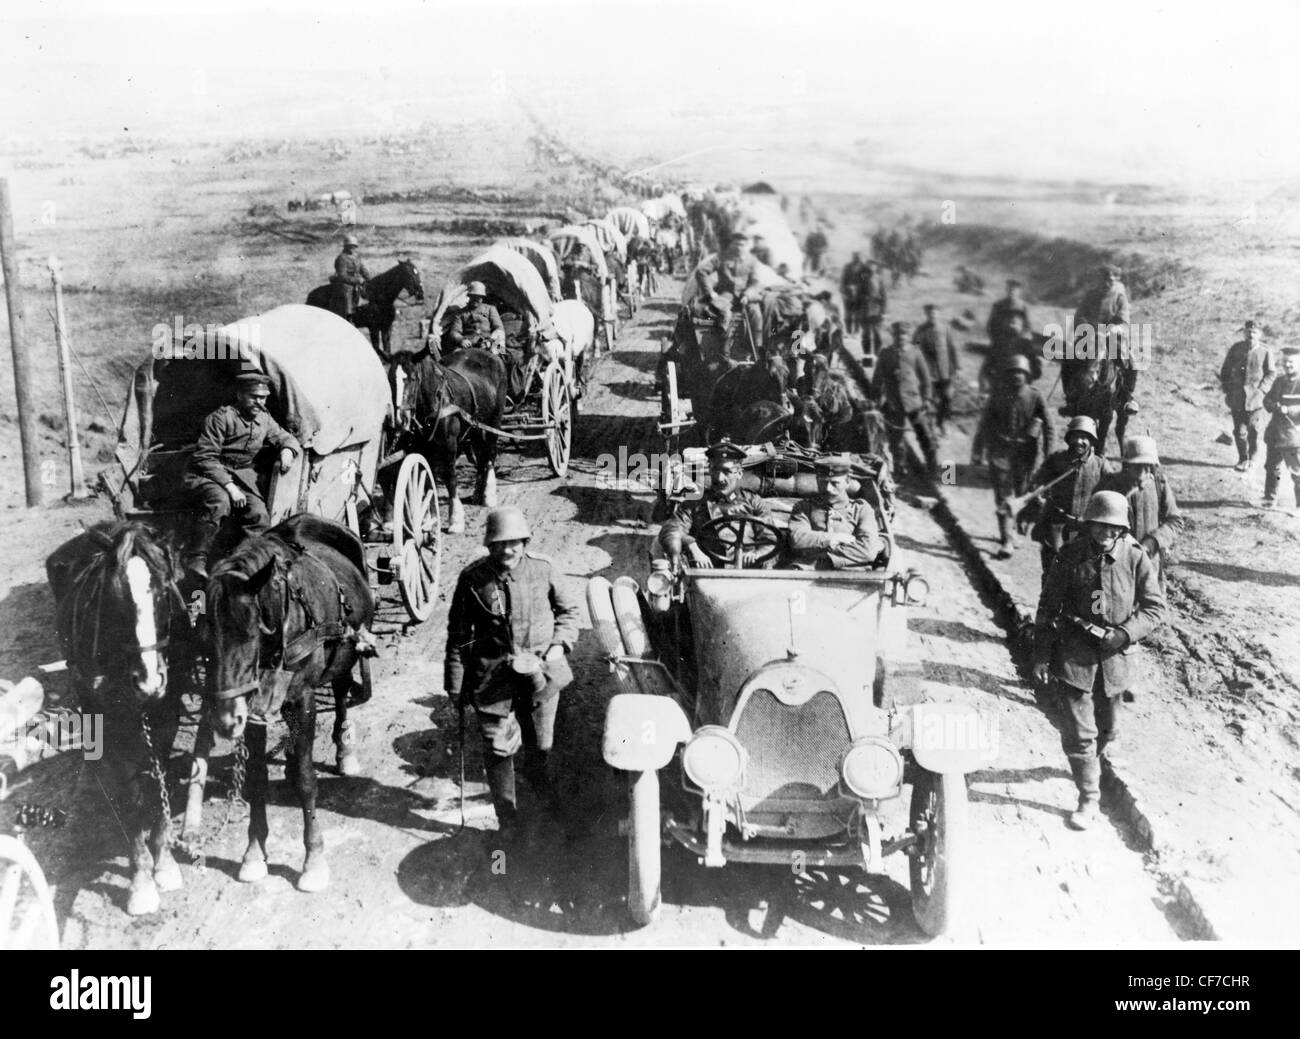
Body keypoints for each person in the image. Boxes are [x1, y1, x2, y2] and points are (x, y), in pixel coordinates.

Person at [443, 506, 580, 841]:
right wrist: (456, 686)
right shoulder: (473, 579)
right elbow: (459, 636)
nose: (507, 550)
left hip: (541, 675)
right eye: (499, 543)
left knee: (540, 746)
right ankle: (509, 821)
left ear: (525, 541)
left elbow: (569, 612)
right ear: (489, 545)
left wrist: (558, 646)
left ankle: (545, 807)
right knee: (498, 748)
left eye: (514, 542)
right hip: (494, 679)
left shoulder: (544, 570)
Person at [1032, 490, 1166, 830]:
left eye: (1113, 529)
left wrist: (1124, 634)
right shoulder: (1070, 556)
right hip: (1074, 655)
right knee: (1080, 733)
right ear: (1089, 525)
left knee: (1108, 729)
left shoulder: (1135, 558)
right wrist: (1042, 655)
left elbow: (1154, 608)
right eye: (1099, 527)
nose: (1105, 534)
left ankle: (1091, 766)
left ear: (1122, 530)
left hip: (1115, 658)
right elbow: (1048, 607)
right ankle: (1088, 797)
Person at [182, 372, 300, 579]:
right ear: (239, 395)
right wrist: (229, 487)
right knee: (219, 502)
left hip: (243, 477)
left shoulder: (264, 419)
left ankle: (250, 565)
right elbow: (205, 457)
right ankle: (197, 559)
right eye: (253, 397)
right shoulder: (221, 418)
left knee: (258, 515)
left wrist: (288, 450)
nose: (259, 402)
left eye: (263, 398)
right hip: (208, 473)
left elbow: (284, 436)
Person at [971, 355, 1054, 558]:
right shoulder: (998, 395)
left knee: (1022, 493)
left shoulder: (1035, 396)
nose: (1017, 377)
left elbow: (1049, 426)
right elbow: (985, 424)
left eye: (1021, 373)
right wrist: (978, 450)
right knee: (1003, 496)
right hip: (1000, 451)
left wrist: (1048, 454)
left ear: (1027, 376)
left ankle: (1016, 528)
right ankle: (1007, 538)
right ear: (1007, 376)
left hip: (1025, 454)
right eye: (1013, 373)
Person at [1018, 415, 1120, 576]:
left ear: (1092, 441)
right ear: (1068, 437)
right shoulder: (1057, 460)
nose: (1079, 441)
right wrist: (1034, 505)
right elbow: (1037, 483)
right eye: (1076, 436)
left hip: (1085, 531)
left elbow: (1116, 492)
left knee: (1080, 575)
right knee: (1052, 571)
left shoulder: (1101, 466)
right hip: (1057, 526)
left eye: (1085, 437)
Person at [658, 442, 776, 568]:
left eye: (727, 471)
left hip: (747, 576)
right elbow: (671, 529)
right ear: (709, 470)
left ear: (739, 473)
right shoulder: (695, 503)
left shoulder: (754, 502)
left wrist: (758, 554)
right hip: (707, 575)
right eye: (715, 470)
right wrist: (692, 546)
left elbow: (771, 540)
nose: (719, 478)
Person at [1097, 436, 1184, 589]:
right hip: (1116, 565)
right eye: (1138, 466)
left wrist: (1153, 542)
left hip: (1150, 565)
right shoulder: (1110, 485)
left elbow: (1175, 521)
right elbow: (1094, 523)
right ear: (1127, 465)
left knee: (1152, 607)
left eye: (1148, 466)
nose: (1144, 472)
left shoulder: (1159, 485)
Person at [1071, 264, 1136, 432]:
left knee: (1132, 361)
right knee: (1070, 358)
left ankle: (1127, 398)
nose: (1108, 283)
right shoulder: (1091, 295)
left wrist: (1110, 330)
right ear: (1099, 279)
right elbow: (1079, 316)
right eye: (1105, 279)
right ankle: (1071, 396)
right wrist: (1086, 327)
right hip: (1090, 335)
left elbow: (1124, 321)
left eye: (1112, 280)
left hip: (1111, 337)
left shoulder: (1119, 297)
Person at [787, 455, 882, 570]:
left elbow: (868, 551)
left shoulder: (862, 509)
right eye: (823, 482)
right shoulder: (803, 508)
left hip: (852, 578)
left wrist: (824, 560)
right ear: (817, 480)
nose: (828, 488)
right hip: (807, 577)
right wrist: (834, 538)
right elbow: (797, 540)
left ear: (847, 482)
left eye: (834, 483)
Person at [872, 320, 937, 476]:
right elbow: (877, 379)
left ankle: (933, 469)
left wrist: (927, 399)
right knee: (896, 440)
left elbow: (926, 380)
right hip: (894, 403)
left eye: (904, 334)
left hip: (914, 403)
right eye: (897, 334)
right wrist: (876, 399)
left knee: (926, 436)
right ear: (893, 336)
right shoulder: (886, 353)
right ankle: (900, 470)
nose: (901, 337)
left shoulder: (915, 353)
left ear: (909, 336)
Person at [693, 229, 764, 352]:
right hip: (725, 296)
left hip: (744, 297)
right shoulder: (721, 257)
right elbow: (701, 272)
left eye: (741, 245)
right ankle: (722, 348)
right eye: (736, 244)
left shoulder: (752, 261)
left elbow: (755, 282)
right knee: (724, 315)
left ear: (746, 245)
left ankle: (756, 348)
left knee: (756, 314)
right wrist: (710, 293)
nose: (738, 248)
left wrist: (747, 295)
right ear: (732, 243)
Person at [1219, 319, 1276, 472]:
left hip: (1256, 399)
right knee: (1239, 431)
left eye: (1255, 332)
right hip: (1237, 398)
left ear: (1260, 334)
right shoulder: (1236, 349)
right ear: (1244, 332)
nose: (1251, 334)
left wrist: (1262, 390)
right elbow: (1225, 371)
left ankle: (1253, 459)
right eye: (1248, 331)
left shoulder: (1265, 351)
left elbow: (1271, 373)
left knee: (1254, 430)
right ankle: (1242, 458)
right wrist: (1228, 390)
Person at [1261, 346, 1300, 513]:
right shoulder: (1279, 381)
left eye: (1291, 362)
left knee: (1297, 472)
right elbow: (1267, 400)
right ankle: (1270, 498)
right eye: (1285, 362)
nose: (1287, 365)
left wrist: (1289, 411)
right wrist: (1275, 406)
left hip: (1293, 436)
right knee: (1272, 468)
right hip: (1275, 434)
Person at [913, 303, 960, 436]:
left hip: (945, 371)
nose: (932, 316)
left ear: (938, 314)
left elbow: (952, 347)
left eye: (934, 313)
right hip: (928, 371)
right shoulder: (920, 330)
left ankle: (941, 422)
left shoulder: (945, 329)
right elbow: (915, 350)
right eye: (929, 314)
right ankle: (929, 426)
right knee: (928, 399)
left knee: (947, 397)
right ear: (926, 315)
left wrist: (958, 367)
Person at [444, 280, 504, 352]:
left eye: (479, 297)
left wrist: (490, 341)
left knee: (498, 353)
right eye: (473, 297)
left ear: (482, 297)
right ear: (469, 296)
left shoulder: (490, 309)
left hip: (488, 343)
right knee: (455, 355)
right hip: (468, 344)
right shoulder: (460, 313)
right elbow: (454, 332)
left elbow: (498, 327)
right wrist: (461, 340)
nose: (476, 299)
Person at [330, 233, 371, 323]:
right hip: (345, 283)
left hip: (357, 283)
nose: (353, 248)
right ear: (346, 247)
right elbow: (342, 276)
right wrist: (357, 280)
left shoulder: (356, 257)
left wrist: (369, 279)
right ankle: (348, 315)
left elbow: (362, 269)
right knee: (346, 290)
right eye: (350, 246)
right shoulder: (341, 258)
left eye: (354, 246)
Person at [986, 279, 1032, 356]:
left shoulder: (1023, 306)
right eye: (1010, 289)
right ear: (1006, 290)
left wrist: (1021, 338)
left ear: (1019, 292)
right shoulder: (998, 305)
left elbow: (1028, 326)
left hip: (1018, 341)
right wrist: (996, 339)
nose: (1012, 292)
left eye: (1015, 290)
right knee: (990, 362)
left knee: (1029, 360)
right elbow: (991, 325)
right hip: (1000, 341)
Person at [859, 260, 887, 358]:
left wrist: (883, 311)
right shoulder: (863, 280)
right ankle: (867, 357)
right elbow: (858, 296)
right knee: (866, 336)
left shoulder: (879, 280)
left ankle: (876, 357)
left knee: (878, 336)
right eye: (869, 267)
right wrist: (864, 298)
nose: (871, 269)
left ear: (876, 268)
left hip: (877, 311)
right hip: (865, 311)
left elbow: (884, 297)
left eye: (873, 267)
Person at [840, 252, 867, 334]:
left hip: (859, 293)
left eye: (858, 257)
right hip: (848, 292)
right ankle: (848, 330)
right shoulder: (847, 267)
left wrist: (865, 292)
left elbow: (866, 281)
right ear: (853, 258)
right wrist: (843, 290)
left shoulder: (864, 267)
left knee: (858, 313)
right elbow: (843, 279)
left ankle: (856, 330)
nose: (856, 259)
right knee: (848, 312)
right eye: (855, 257)